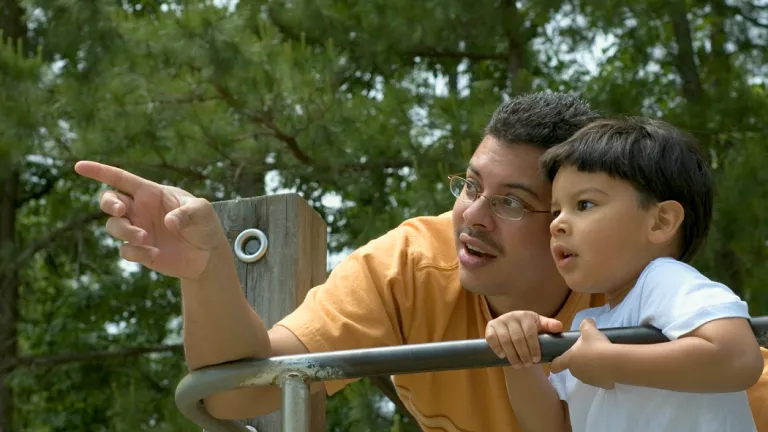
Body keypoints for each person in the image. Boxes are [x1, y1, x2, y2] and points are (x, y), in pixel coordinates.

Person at [73, 92, 768, 432]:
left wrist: (599, 358)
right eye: (470, 186)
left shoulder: (647, 298)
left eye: (515, 203)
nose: (471, 216)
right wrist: (207, 273)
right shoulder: (412, 263)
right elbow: (242, 391)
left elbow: (732, 364)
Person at [484, 117, 764, 432]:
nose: (556, 224)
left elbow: (739, 358)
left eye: (584, 204)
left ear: (660, 222)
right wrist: (518, 356)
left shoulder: (665, 281)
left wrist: (610, 362)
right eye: (555, 211)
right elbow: (556, 425)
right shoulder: (590, 325)